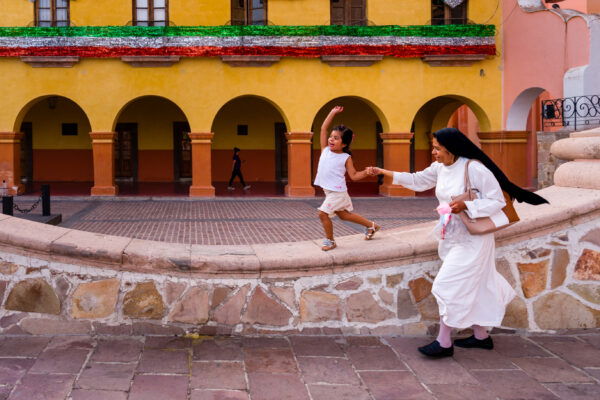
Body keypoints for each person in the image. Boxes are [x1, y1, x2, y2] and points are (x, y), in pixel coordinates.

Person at [368, 127, 548, 357]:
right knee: (477, 284)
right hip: (453, 235)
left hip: (475, 239)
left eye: (437, 148)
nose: (433, 152)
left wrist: (467, 205)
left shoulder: (474, 168)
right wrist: (384, 171)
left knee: (446, 285)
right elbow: (418, 180)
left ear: (451, 149)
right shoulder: (440, 168)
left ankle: (444, 342)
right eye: (433, 147)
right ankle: (481, 336)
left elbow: (497, 201)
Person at [314, 106, 380, 251]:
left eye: (336, 138)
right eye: (331, 137)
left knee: (322, 213)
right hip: (329, 192)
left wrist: (367, 172)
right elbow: (323, 129)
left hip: (337, 193)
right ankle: (372, 226)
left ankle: (330, 241)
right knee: (344, 215)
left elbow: (354, 176)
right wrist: (332, 113)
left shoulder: (345, 157)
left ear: (344, 143)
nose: (331, 139)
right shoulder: (325, 149)